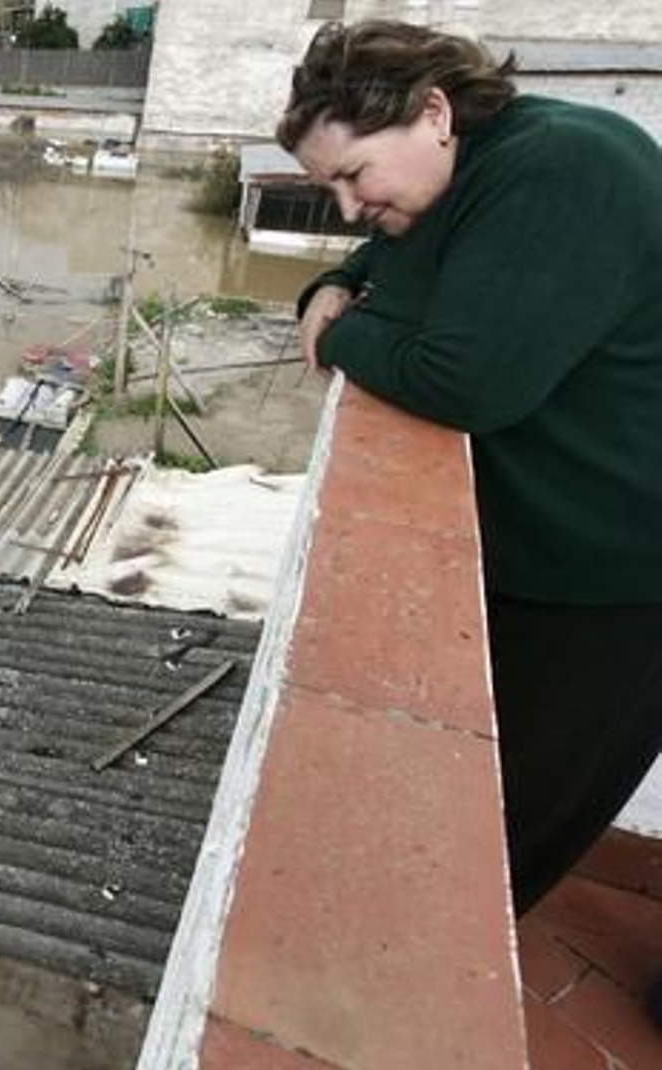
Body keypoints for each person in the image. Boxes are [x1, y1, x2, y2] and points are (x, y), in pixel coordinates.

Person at [276, 19, 662, 919]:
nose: (344, 205)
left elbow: (461, 380)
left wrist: (340, 329)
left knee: (506, 818)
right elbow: (384, 262)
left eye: (350, 174)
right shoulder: (476, 171)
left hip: (615, 572)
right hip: (547, 546)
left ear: (434, 111)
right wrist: (332, 282)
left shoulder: (564, 170)